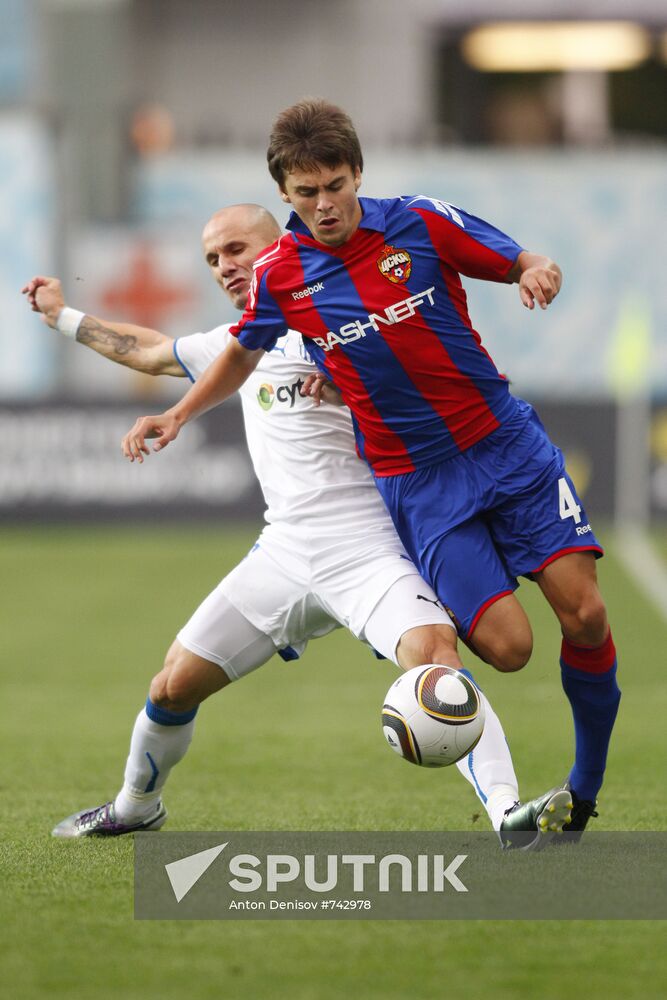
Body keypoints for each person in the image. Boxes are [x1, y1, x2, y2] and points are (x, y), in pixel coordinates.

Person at [120, 102, 621, 840]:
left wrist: (536, 267)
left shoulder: (418, 221)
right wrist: (179, 414)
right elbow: (241, 353)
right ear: (284, 194)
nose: (323, 205)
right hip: (417, 484)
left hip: (503, 445)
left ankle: (580, 792)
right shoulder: (281, 275)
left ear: (357, 174)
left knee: (584, 614)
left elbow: (512, 259)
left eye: (335, 185)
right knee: (510, 651)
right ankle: (427, 608)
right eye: (305, 192)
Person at [23, 204, 572, 848]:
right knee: (171, 687)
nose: (225, 266)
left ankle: (508, 814)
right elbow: (145, 350)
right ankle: (134, 805)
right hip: (283, 553)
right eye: (212, 258)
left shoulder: (351, 323)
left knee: (436, 663)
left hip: (372, 550)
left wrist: (350, 386)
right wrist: (61, 314)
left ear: (282, 245)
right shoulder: (240, 343)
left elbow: (423, 377)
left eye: (235, 249)